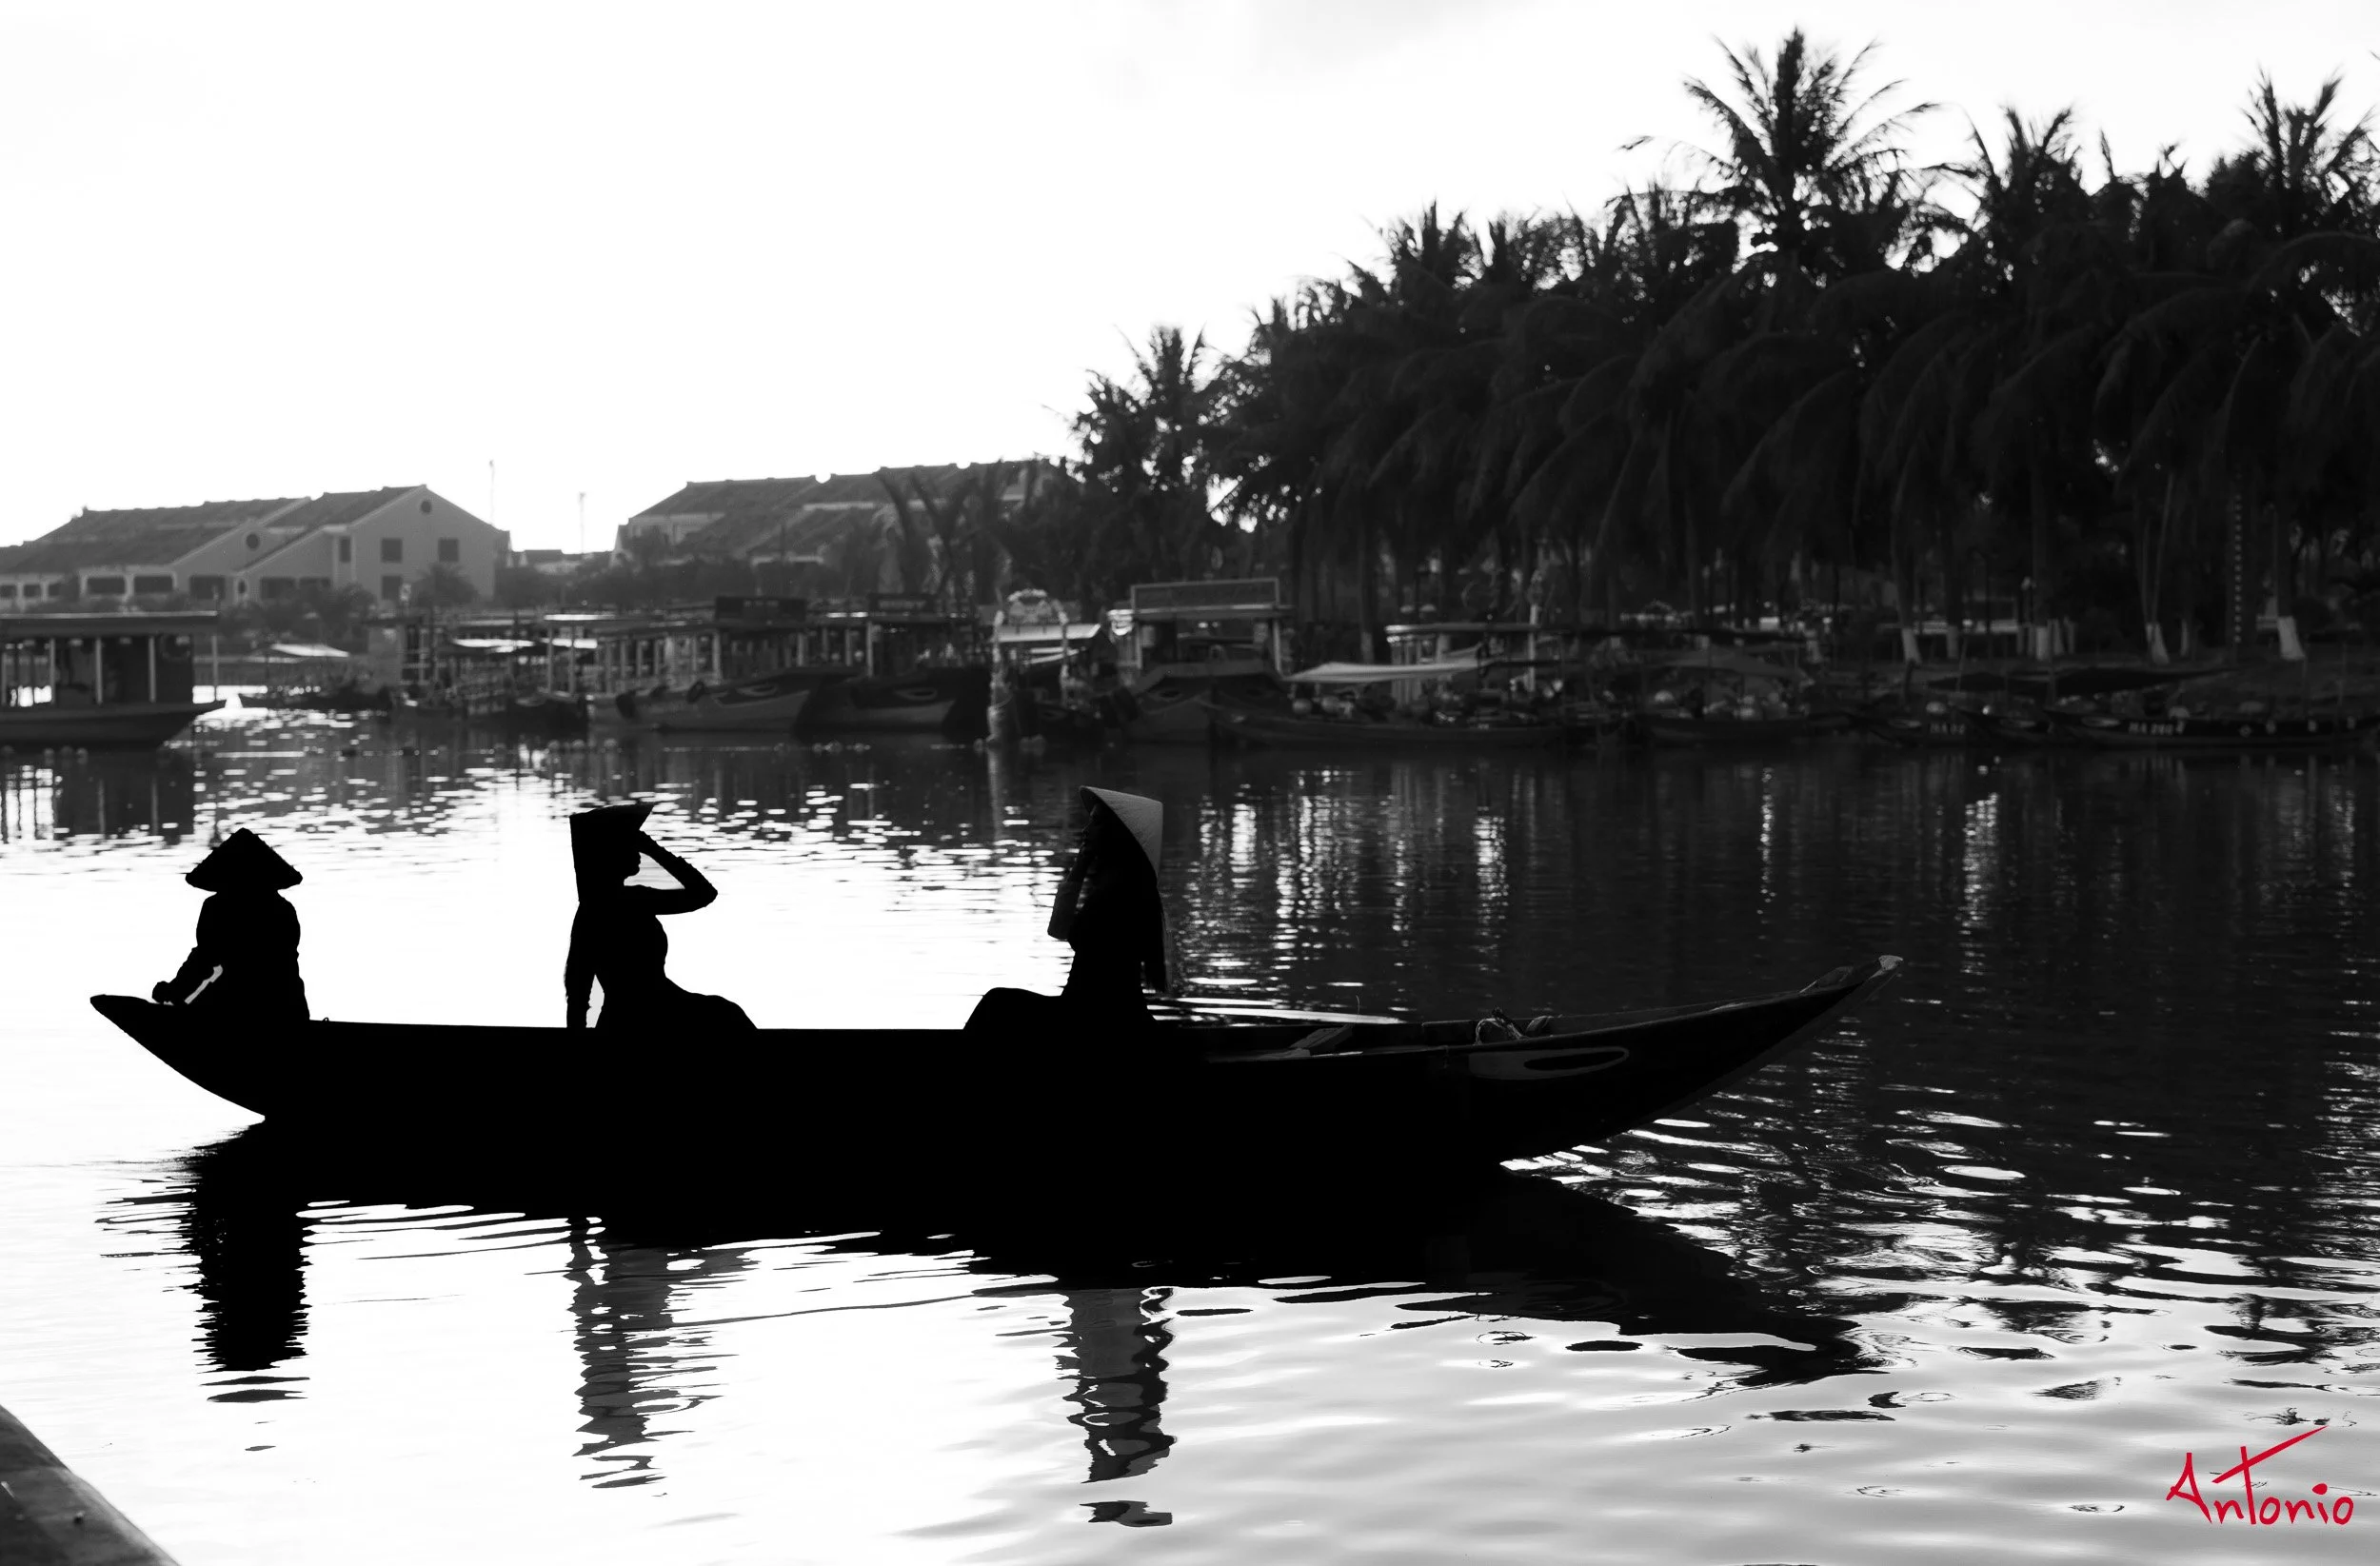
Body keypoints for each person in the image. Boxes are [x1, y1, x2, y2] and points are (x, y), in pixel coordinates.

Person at [965, 788, 1172, 1041]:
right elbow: (1061, 930)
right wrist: (1079, 868)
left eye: (1095, 822)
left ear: (1118, 834)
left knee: (996, 1002)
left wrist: (1078, 871)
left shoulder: (1118, 892)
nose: (1086, 830)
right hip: (1101, 1012)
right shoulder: (1128, 885)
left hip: (1086, 1016)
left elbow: (1061, 929)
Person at [564, 802, 754, 1033]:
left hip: (633, 1014)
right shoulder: (615, 905)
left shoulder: (615, 903)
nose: (636, 848)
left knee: (725, 1012)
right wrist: (654, 850)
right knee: (726, 1014)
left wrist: (652, 848)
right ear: (611, 854)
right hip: (642, 1015)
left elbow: (704, 894)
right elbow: (578, 991)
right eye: (629, 841)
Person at [152, 828, 310, 1020]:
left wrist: (174, 991)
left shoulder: (218, 907)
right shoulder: (284, 909)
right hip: (288, 1005)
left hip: (238, 1003)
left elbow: (203, 960)